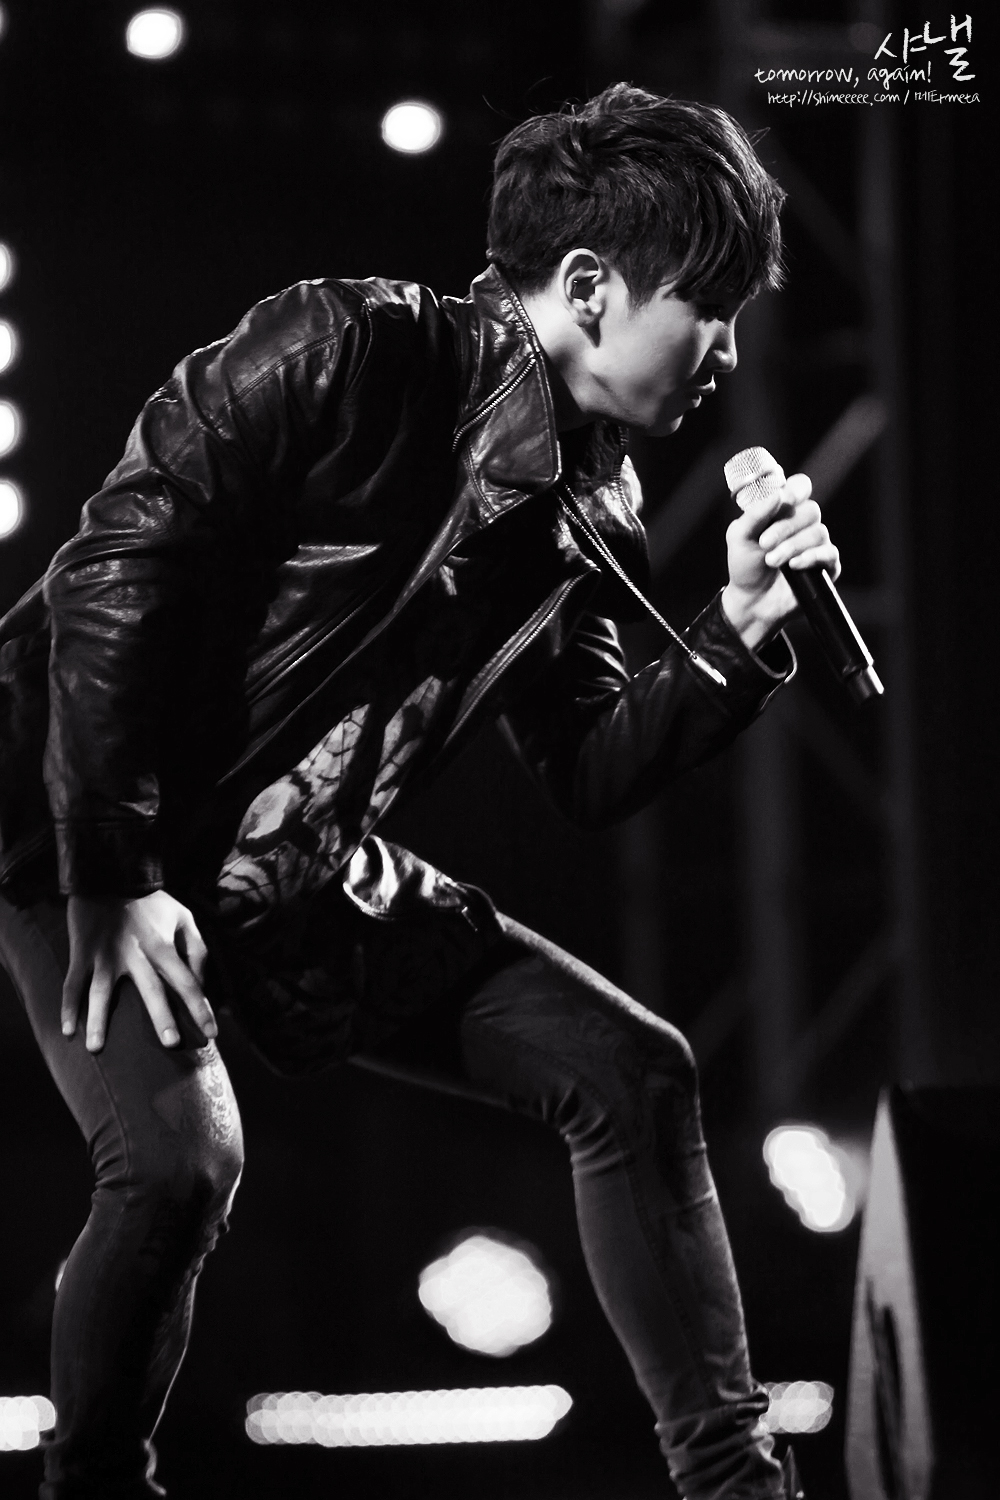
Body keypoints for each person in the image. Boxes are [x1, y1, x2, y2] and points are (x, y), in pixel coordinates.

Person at [0, 83, 834, 1499]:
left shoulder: (594, 504)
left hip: (290, 867)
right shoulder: (347, 347)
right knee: (179, 1165)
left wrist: (737, 633)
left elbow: (588, 765)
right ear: (591, 286)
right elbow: (111, 571)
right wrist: (115, 872)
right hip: (78, 820)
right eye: (710, 306)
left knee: (631, 1074)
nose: (729, 351)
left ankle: (736, 1484)